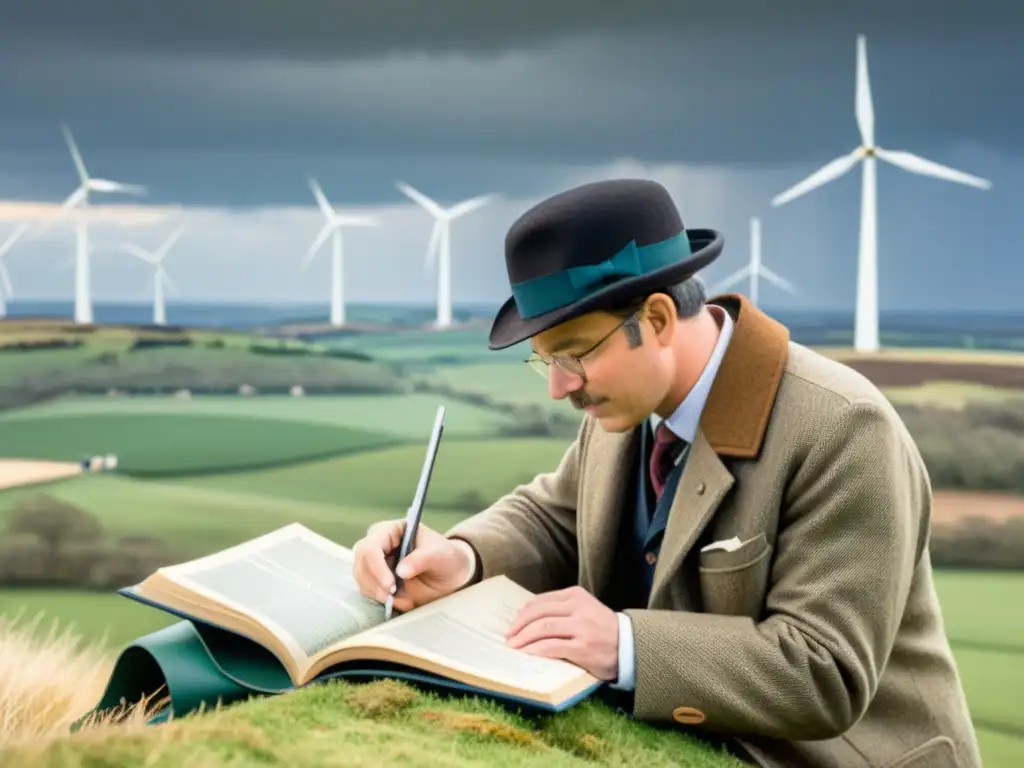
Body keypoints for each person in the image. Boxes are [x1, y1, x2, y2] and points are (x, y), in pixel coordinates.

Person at [351, 179, 981, 767]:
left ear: (655, 319)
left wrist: (624, 645)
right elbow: (559, 515)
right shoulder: (625, 402)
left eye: (573, 354)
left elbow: (823, 671)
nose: (558, 387)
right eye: (543, 360)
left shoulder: (844, 429)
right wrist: (460, 557)